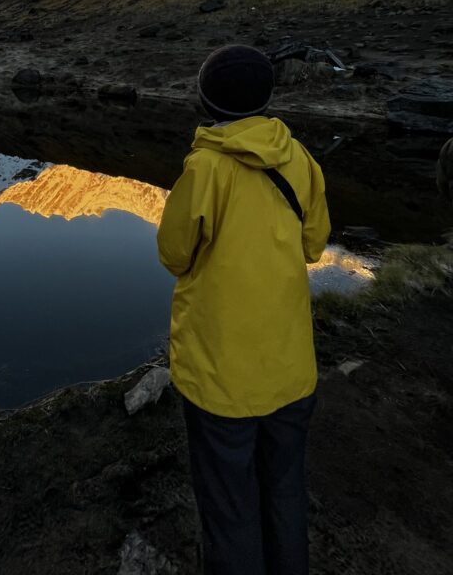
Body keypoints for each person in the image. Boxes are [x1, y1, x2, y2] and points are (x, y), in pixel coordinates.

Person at [157, 44, 330, 575]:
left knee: (229, 506)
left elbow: (173, 254)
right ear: (266, 99)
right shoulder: (299, 159)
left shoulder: (205, 168)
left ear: (208, 102)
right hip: (290, 368)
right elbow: (315, 245)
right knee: (284, 491)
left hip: (221, 376)